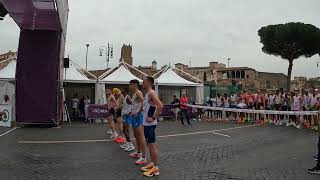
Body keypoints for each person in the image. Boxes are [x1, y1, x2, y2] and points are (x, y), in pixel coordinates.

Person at [141, 76, 163, 177]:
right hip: (146, 124)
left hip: (150, 124)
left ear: (149, 83)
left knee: (152, 145)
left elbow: (160, 105)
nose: (142, 83)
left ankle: (156, 169)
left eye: (144, 81)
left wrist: (153, 118)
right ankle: (153, 164)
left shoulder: (151, 93)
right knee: (149, 145)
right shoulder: (147, 94)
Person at [128, 79, 147, 165]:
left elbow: (144, 102)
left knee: (140, 136)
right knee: (136, 135)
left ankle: (144, 157)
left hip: (138, 117)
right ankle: (138, 152)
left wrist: (139, 112)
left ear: (135, 85)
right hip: (133, 116)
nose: (129, 86)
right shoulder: (134, 94)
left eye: (130, 84)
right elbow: (135, 104)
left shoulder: (138, 92)